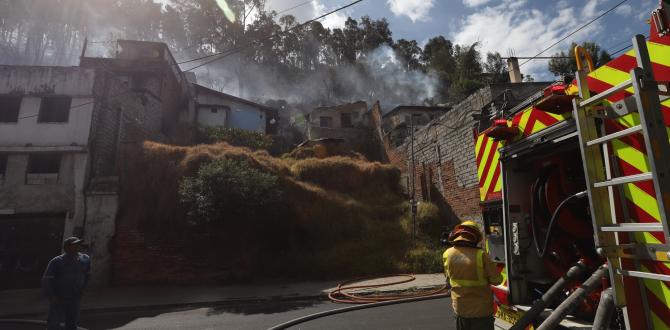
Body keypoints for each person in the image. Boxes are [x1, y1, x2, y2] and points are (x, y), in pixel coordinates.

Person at [443, 220, 502, 330]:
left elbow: (448, 277)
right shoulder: (481, 255)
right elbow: (497, 280)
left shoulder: (447, 254)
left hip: (460, 309)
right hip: (481, 312)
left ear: (458, 234)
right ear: (475, 237)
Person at [42, 237, 91, 330]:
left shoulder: (85, 259)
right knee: (54, 324)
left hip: (75, 297)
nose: (78, 246)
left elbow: (88, 275)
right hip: (59, 297)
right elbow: (46, 280)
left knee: (72, 323)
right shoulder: (57, 261)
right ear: (66, 247)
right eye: (75, 245)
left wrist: (83, 289)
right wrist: (52, 296)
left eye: (79, 244)